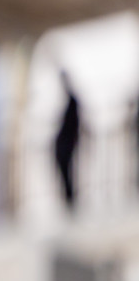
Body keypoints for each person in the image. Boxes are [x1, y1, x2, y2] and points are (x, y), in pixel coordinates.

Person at [54, 70, 83, 212]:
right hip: (63, 144)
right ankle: (69, 202)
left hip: (66, 144)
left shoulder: (72, 101)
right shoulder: (69, 102)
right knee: (65, 175)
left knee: (67, 175)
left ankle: (70, 203)